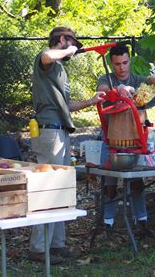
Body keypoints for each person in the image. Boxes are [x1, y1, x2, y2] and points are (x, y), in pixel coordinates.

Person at [29, 26, 105, 264]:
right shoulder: (49, 59)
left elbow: (66, 106)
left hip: (61, 131)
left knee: (60, 189)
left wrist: (92, 101)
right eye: (72, 41)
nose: (75, 47)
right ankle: (38, 248)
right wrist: (68, 50)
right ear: (62, 39)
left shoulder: (60, 69)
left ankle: (57, 245)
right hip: (48, 132)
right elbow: (47, 55)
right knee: (48, 188)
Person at [97, 43, 155, 236]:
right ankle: (108, 225)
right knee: (110, 184)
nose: (122, 67)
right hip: (112, 139)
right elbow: (103, 90)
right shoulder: (107, 79)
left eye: (125, 62)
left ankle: (142, 222)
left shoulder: (138, 79)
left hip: (136, 140)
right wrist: (117, 90)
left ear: (130, 61)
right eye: (118, 64)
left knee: (137, 182)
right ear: (112, 64)